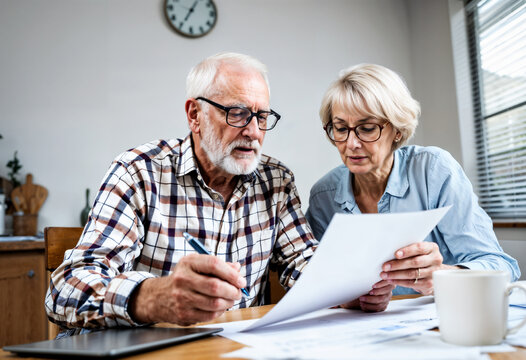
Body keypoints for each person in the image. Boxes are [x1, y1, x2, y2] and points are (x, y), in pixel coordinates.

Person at [45, 53, 390, 336]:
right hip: (142, 348)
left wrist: (352, 287)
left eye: (262, 116)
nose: (254, 131)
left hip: (232, 349)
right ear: (195, 114)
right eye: (237, 113)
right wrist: (151, 298)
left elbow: (305, 264)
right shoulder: (139, 171)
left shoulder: (275, 180)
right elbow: (63, 291)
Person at [306, 63, 520, 296]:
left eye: (367, 128)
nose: (351, 144)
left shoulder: (434, 170)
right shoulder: (323, 197)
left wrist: (443, 276)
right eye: (340, 128)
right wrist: (348, 298)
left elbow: (502, 266)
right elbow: (316, 283)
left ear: (397, 130)